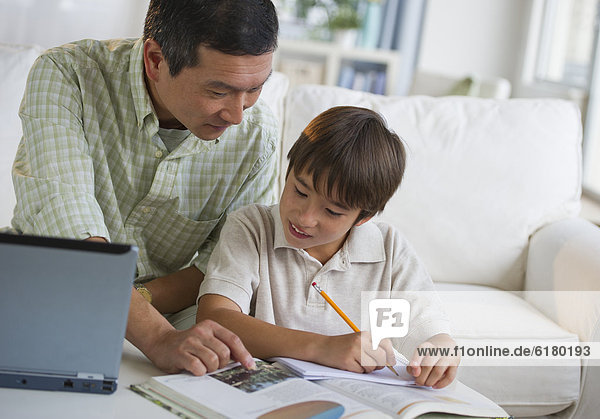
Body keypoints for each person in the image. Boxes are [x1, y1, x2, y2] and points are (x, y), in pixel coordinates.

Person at [11, 0, 279, 376]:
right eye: (218, 91)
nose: (237, 115)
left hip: (169, 312)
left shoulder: (257, 135)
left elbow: (223, 266)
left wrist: (141, 308)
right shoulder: (67, 74)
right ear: (156, 60)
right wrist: (157, 338)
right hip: (47, 291)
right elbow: (70, 230)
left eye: (254, 88)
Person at [196, 106, 460, 388]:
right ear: (288, 172)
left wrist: (440, 349)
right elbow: (215, 317)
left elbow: (430, 329)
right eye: (300, 191)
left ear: (364, 217)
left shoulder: (388, 249)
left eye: (332, 212)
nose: (305, 217)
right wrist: (322, 347)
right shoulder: (252, 227)